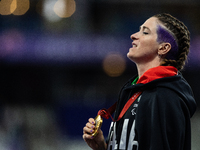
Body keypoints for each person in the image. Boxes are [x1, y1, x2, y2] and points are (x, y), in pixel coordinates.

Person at [82, 13, 197, 150]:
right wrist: (103, 147)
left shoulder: (164, 95)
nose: (134, 35)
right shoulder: (135, 91)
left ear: (163, 48)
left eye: (145, 32)